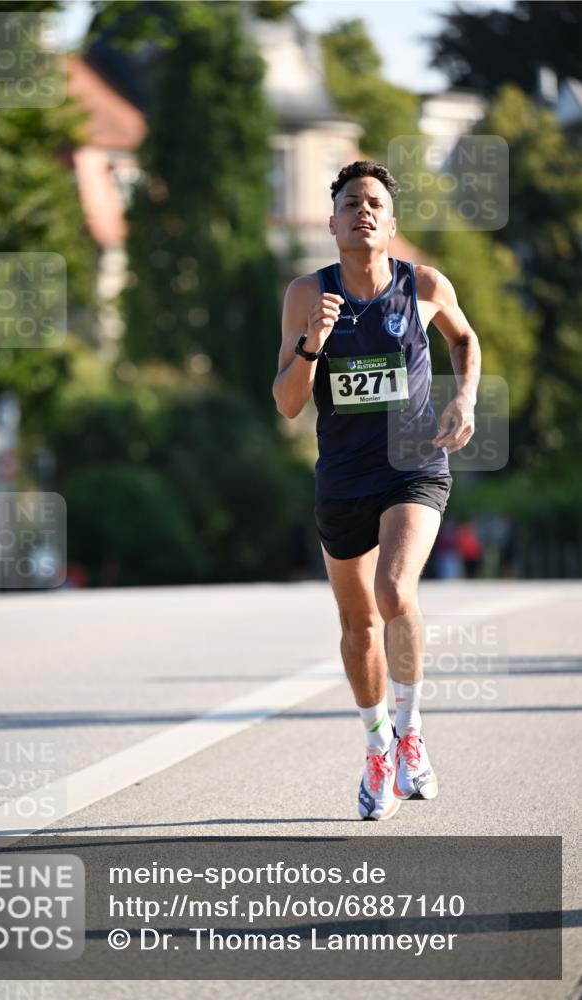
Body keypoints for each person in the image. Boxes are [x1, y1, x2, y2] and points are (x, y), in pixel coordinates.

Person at [272, 161, 480, 820]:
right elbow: (285, 404)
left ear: (389, 224)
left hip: (412, 467)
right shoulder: (307, 295)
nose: (361, 212)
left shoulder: (422, 284)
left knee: (394, 591)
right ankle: (375, 748)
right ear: (332, 224)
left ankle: (410, 729)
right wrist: (313, 344)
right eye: (349, 204)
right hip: (341, 479)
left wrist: (464, 398)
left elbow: (465, 338)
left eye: (373, 204)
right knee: (357, 624)